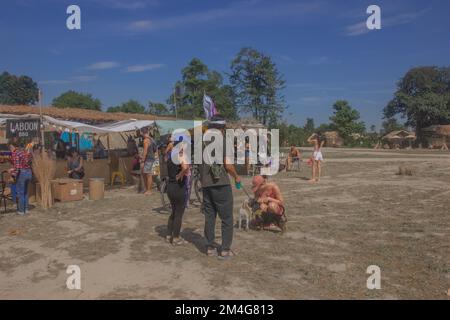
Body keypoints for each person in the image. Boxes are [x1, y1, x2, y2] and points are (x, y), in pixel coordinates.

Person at [200, 115, 241, 259]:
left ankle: (209, 247)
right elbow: (228, 165)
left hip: (205, 184)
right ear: (222, 128)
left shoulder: (202, 141)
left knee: (209, 216)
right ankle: (224, 250)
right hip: (221, 184)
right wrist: (236, 176)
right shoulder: (224, 141)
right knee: (227, 218)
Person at [166, 141, 190, 245]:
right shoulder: (181, 155)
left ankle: (168, 235)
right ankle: (176, 238)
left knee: (174, 212)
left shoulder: (170, 156)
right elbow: (185, 168)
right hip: (178, 187)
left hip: (170, 187)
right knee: (179, 214)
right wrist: (180, 174)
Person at [9, 141, 33, 215]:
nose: (10, 149)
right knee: (25, 192)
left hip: (22, 174)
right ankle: (26, 209)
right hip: (29, 172)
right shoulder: (23, 152)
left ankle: (21, 211)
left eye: (10, 147)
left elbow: (17, 167)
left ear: (12, 146)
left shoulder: (15, 153)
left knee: (20, 193)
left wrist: (12, 174)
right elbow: (29, 161)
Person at [140, 128, 158, 195]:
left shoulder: (146, 140)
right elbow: (155, 150)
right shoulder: (152, 139)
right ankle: (148, 189)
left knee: (148, 174)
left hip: (148, 159)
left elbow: (145, 151)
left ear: (142, 132)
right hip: (151, 158)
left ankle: (149, 190)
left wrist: (142, 160)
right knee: (146, 174)